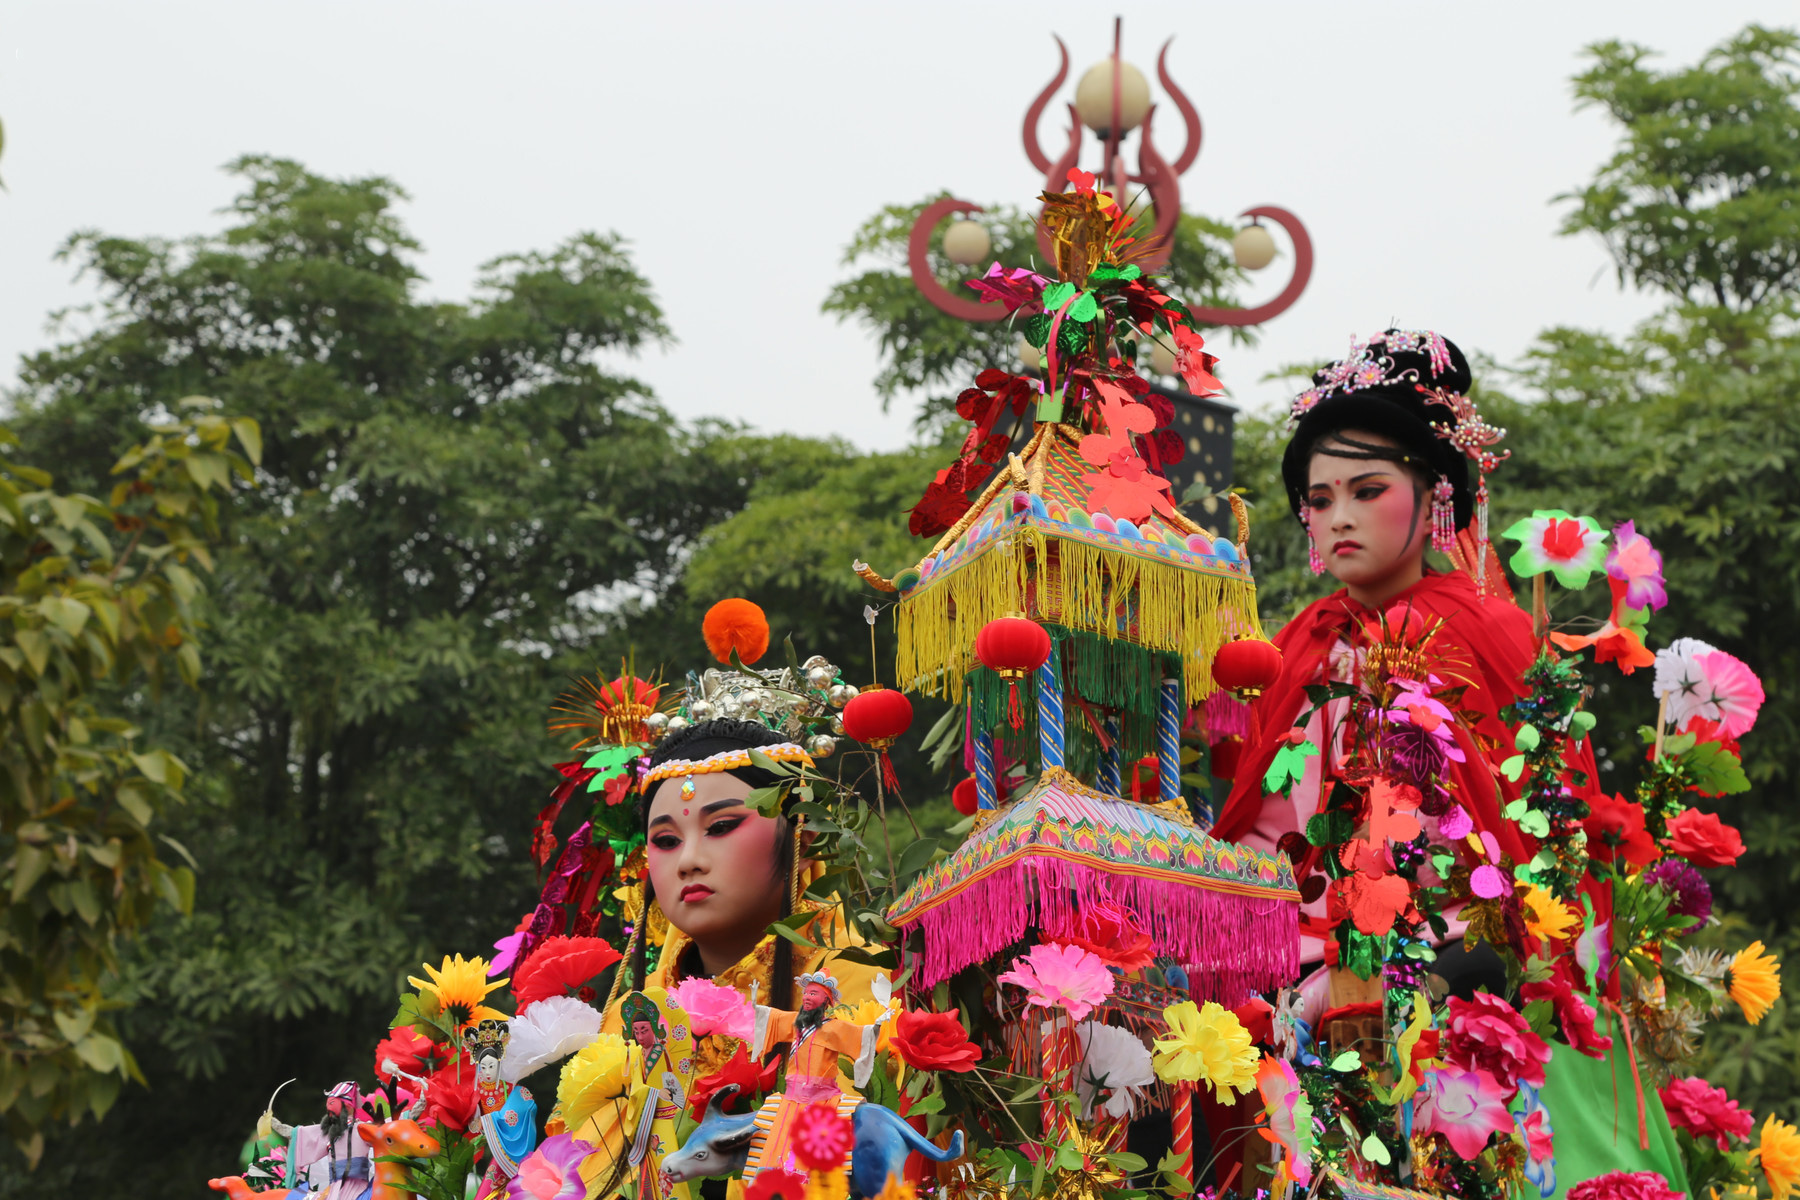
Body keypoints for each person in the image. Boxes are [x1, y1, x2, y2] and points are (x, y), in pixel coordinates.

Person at [571, 716, 884, 1195]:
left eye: (720, 826)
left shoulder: (856, 985)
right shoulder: (631, 1017)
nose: (689, 860)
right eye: (667, 840)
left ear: (801, 835)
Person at [741, 971, 880, 1179]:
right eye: (805, 993)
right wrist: (756, 1006)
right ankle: (773, 1177)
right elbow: (774, 1017)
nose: (806, 997)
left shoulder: (833, 1028)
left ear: (826, 1000)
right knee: (777, 1137)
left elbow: (859, 1035)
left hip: (820, 1099)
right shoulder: (797, 1022)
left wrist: (876, 1027)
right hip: (791, 1098)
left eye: (813, 993)